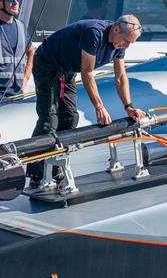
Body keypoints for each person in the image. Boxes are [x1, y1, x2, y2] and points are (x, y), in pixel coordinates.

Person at [27, 15, 147, 183]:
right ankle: (35, 172)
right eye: (126, 41)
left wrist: (128, 106)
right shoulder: (94, 33)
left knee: (70, 117)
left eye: (130, 43)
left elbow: (120, 77)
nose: (126, 46)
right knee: (49, 118)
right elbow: (87, 72)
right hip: (47, 63)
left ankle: (55, 167)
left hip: (67, 68)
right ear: (117, 29)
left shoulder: (120, 44)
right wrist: (99, 106)